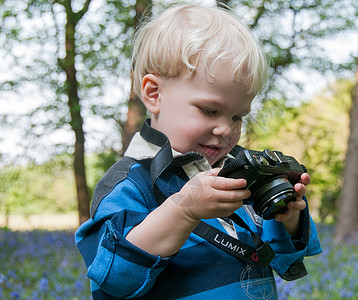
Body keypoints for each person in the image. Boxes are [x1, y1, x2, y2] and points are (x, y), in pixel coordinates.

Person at [75, 3, 321, 299]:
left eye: (237, 117)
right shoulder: (131, 183)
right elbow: (114, 278)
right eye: (209, 110)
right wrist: (185, 209)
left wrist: (287, 217)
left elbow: (286, 262)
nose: (225, 130)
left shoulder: (238, 172)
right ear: (154, 94)